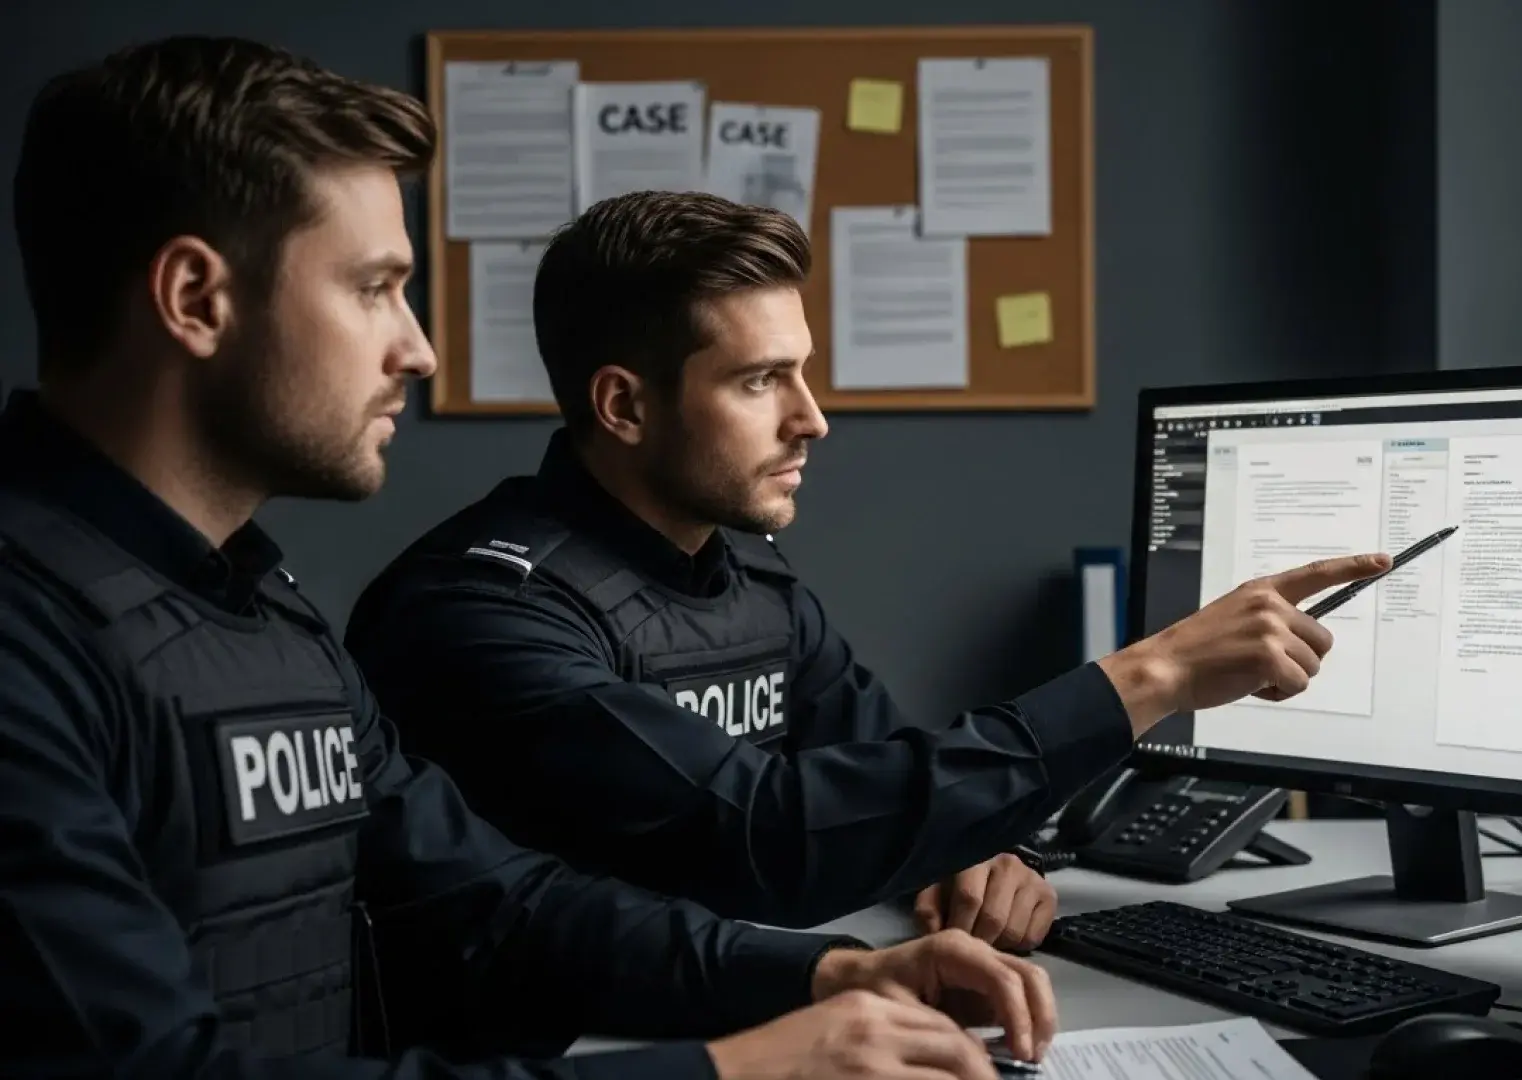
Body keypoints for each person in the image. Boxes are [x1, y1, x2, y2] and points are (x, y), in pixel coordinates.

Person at [0, 35, 1087, 1080]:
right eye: (374, 286)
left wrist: (827, 972)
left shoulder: (258, 606)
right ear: (197, 300)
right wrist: (728, 1070)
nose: (418, 349)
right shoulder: (30, 636)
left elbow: (493, 902)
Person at [343, 188, 1393, 951]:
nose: (814, 419)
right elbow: (768, 835)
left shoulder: (750, 575)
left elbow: (887, 771)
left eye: (803, 372)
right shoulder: (481, 614)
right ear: (624, 405)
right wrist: (1149, 679)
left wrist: (969, 852)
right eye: (762, 381)